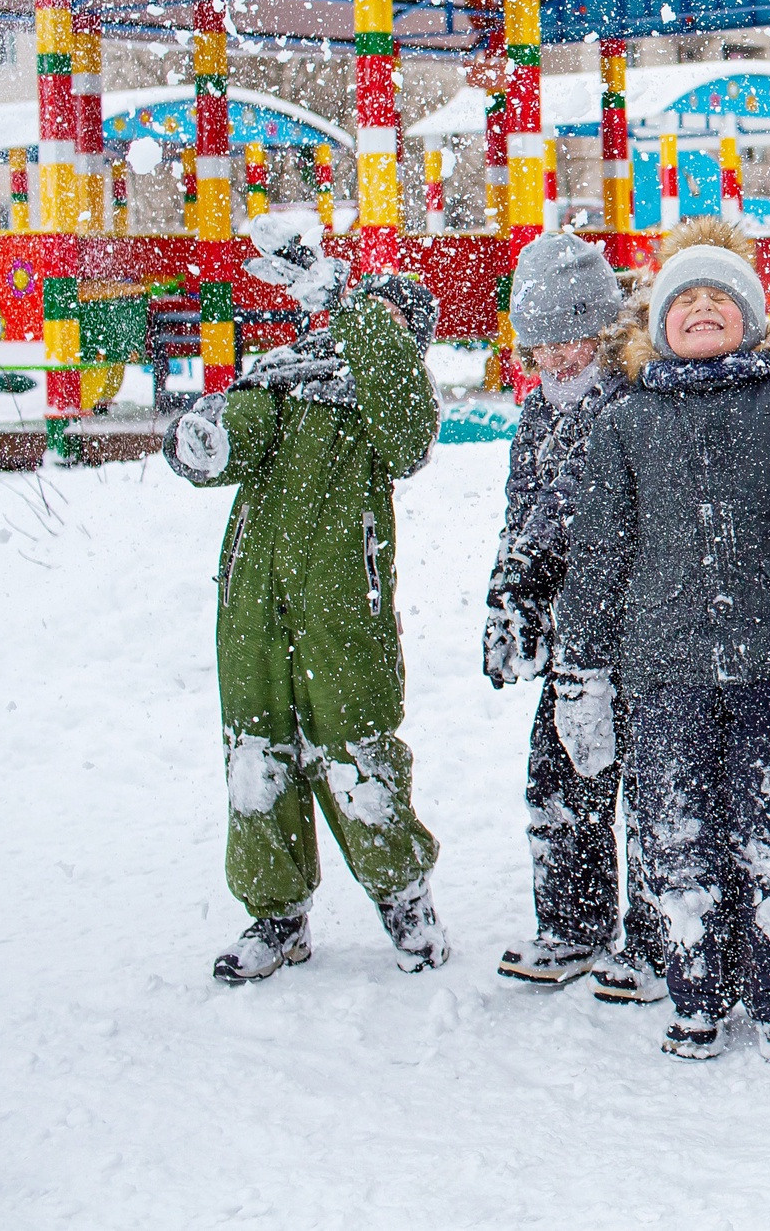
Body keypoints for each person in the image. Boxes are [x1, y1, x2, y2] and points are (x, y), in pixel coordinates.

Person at [554, 219, 770, 1061]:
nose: (702, 308)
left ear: (752, 315)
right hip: (663, 673)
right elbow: (598, 557)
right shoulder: (626, 421)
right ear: (659, 323)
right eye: (684, 299)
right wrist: (580, 673)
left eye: (719, 297)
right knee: (675, 833)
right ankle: (697, 988)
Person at [164, 211, 448, 984]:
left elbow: (409, 434)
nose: (366, 324)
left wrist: (348, 302)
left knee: (357, 752)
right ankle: (276, 914)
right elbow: (236, 435)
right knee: (256, 756)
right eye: (362, 311)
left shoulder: (388, 399)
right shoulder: (283, 373)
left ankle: (404, 897)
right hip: (253, 604)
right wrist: (202, 442)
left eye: (389, 319)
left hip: (342, 603)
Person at [481, 232, 665, 1001]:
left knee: (653, 786)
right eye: (540, 345)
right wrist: (508, 596)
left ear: (602, 329)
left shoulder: (633, 398)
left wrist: (534, 560)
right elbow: (523, 509)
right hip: (572, 637)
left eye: (570, 339)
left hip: (640, 626)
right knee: (559, 775)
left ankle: (658, 936)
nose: (555, 358)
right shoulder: (536, 413)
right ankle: (573, 922)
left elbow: (578, 509)